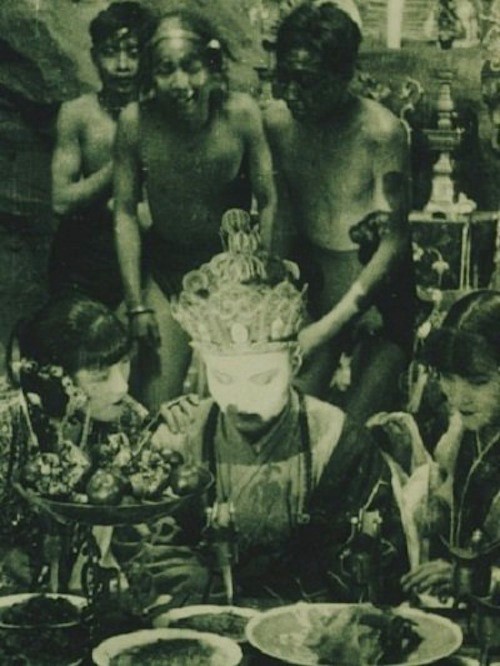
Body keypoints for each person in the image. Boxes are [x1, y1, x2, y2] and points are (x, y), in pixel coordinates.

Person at [122, 209, 409, 606]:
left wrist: (231, 590)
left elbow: (372, 571)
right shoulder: (181, 435)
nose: (241, 399)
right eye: (223, 379)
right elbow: (144, 548)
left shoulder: (337, 441)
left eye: (262, 379)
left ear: (294, 363)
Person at [114, 9, 277, 409]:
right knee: (157, 408)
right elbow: (125, 212)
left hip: (234, 274)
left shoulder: (240, 115)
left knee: (237, 403)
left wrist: (260, 281)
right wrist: (136, 304)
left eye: (191, 67)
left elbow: (270, 200)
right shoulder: (136, 122)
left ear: (212, 65)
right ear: (149, 74)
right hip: (167, 273)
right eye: (165, 70)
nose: (180, 83)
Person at [264, 2, 415, 420]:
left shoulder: (381, 133)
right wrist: (276, 296)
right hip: (313, 281)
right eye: (283, 78)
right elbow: (283, 216)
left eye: (306, 82)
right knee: (287, 415)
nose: (291, 94)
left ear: (344, 76)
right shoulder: (276, 123)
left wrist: (329, 327)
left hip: (377, 289)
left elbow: (393, 241)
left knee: (355, 429)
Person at [0, 295, 194, 592]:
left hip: (85, 581)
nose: (121, 386)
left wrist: (168, 428)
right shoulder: (7, 420)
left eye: (124, 364)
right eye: (101, 376)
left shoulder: (123, 412)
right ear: (56, 379)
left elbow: (144, 482)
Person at [50, 2, 154, 309]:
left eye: (133, 53)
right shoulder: (77, 114)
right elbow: (60, 201)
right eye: (110, 52)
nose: (122, 65)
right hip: (86, 259)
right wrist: (120, 163)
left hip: (151, 254)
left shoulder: (162, 114)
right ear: (95, 57)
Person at [400, 290, 500, 597]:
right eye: (447, 377)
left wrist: (475, 577)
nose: (459, 397)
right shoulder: (466, 429)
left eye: (478, 382)